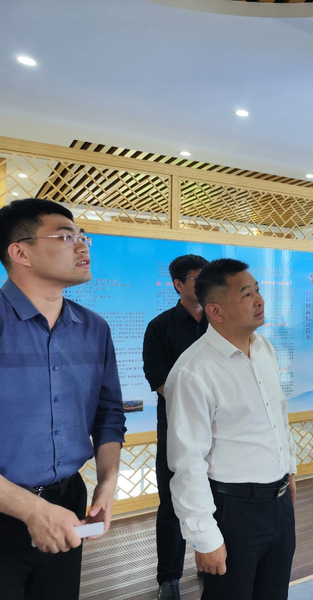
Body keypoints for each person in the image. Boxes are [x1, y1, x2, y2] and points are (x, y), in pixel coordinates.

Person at [0, 198, 126, 599]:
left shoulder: (94, 328)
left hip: (68, 500)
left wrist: (107, 483)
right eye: (66, 237)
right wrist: (31, 510)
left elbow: (108, 413)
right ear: (20, 252)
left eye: (84, 236)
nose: (82, 245)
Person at [165, 258, 297, 600]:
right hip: (233, 510)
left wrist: (289, 471)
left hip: (279, 503)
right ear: (215, 311)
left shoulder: (264, 349)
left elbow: (278, 416)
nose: (259, 300)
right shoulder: (193, 371)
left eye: (258, 291)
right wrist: (204, 537)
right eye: (246, 294)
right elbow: (187, 461)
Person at [142, 254, 209, 600]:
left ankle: (210, 559)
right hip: (177, 430)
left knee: (218, 497)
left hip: (219, 429)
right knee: (172, 503)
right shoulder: (160, 327)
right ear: (179, 285)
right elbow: (160, 381)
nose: (206, 283)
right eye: (198, 278)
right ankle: (169, 578)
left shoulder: (221, 322)